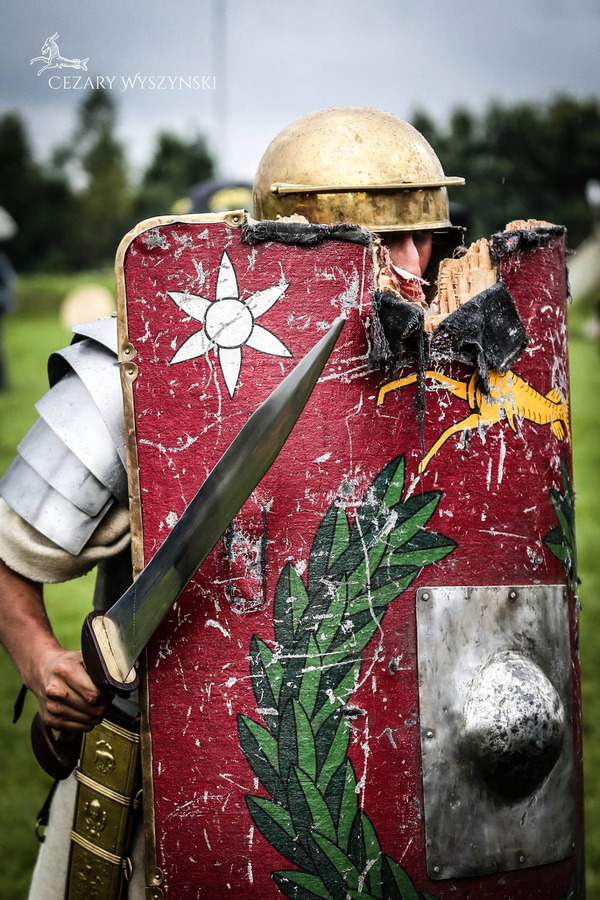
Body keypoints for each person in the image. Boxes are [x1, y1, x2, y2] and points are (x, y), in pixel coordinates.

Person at [0, 106, 463, 899]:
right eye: (386, 237)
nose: (414, 264)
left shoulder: (457, 379)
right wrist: (42, 661)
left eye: (428, 237)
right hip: (163, 811)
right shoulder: (144, 368)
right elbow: (8, 549)